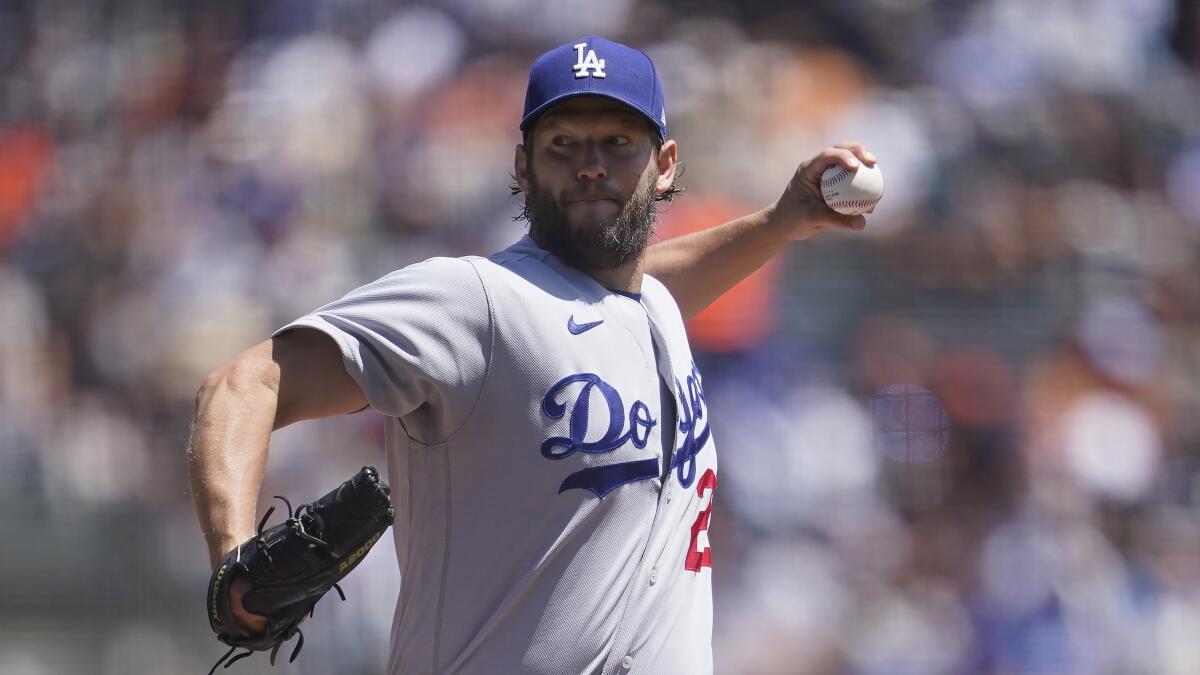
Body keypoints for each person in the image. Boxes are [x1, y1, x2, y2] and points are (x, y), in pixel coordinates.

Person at [188, 35, 877, 674]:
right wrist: (234, 558)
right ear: (522, 165)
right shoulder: (474, 301)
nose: (591, 166)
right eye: (563, 144)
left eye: (617, 143)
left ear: (664, 166)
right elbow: (242, 384)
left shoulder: (651, 308)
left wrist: (781, 221)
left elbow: (642, 286)